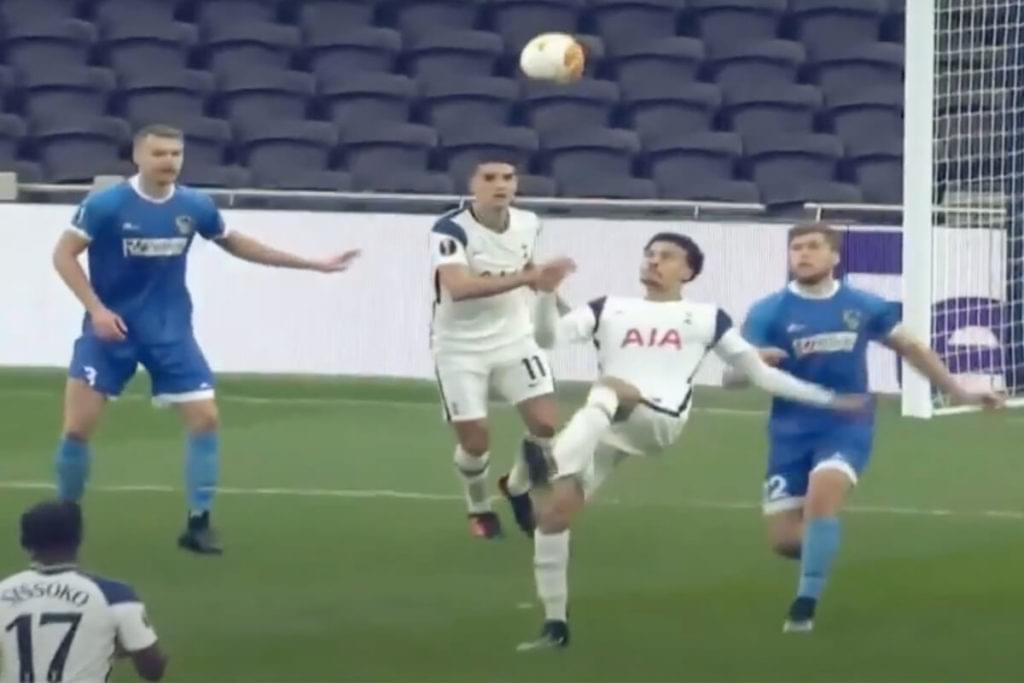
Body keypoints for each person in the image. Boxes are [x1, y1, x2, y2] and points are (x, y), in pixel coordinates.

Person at [514, 232, 866, 650]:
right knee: (554, 516)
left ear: (689, 271)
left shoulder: (705, 317)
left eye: (666, 256)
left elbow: (760, 375)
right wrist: (545, 294)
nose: (653, 261)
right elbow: (546, 339)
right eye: (649, 254)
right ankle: (555, 625)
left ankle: (552, 460)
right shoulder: (608, 307)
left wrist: (827, 399)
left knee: (607, 388)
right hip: (605, 424)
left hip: (658, 418)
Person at [51, 124, 361, 555]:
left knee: (206, 420)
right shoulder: (106, 204)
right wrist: (97, 310)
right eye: (159, 153)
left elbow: (235, 242)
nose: (169, 161)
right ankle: (64, 519)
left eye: (175, 154)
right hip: (110, 330)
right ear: (138, 157)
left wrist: (312, 264)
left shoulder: (194, 205)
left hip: (169, 331)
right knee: (77, 429)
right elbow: (63, 255)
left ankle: (198, 523)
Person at [736, 222, 1005, 632]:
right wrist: (753, 363)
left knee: (823, 496)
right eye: (796, 248)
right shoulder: (767, 311)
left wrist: (957, 390)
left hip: (848, 421)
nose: (803, 254)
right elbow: (733, 376)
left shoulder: (861, 305)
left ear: (834, 256)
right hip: (789, 430)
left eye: (812, 247)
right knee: (786, 541)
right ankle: (822, 544)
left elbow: (911, 347)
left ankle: (804, 606)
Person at [430, 157, 576, 539]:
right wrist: (528, 277)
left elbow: (529, 269)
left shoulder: (528, 223)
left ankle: (515, 486)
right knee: (475, 443)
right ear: (472, 185)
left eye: (508, 178)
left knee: (545, 425)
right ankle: (478, 506)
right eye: (490, 177)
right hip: (460, 347)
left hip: (515, 338)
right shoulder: (449, 230)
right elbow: (459, 288)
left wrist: (566, 307)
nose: (501, 185)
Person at [0, 501, 166, 682]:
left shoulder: (3, 592)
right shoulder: (114, 595)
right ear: (78, 538)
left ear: (25, 542)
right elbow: (153, 670)